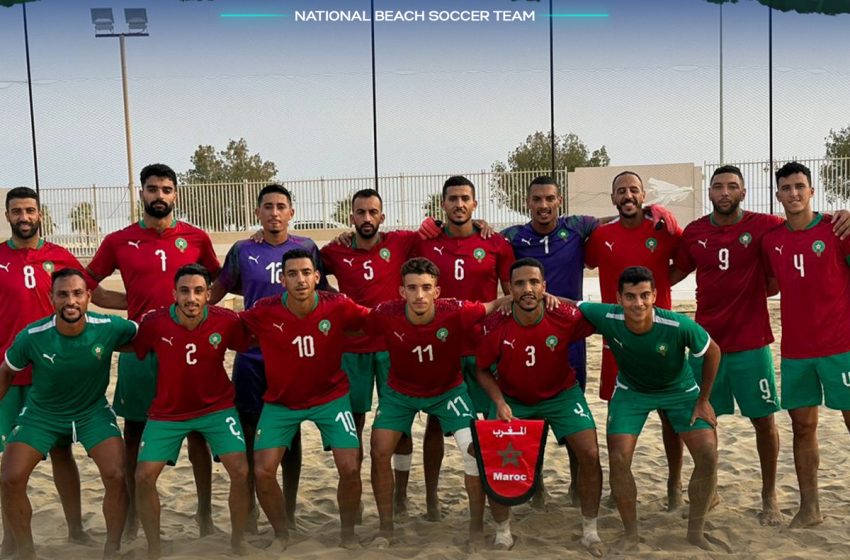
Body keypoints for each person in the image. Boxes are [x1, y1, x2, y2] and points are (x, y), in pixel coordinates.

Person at [673, 165, 850, 524]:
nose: (725, 192)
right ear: (709, 193)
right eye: (718, 186)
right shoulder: (711, 233)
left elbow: (774, 279)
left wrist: (844, 215)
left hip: (780, 344)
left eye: (733, 186)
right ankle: (719, 493)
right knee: (712, 421)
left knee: (765, 422)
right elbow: (673, 269)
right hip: (727, 347)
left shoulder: (791, 228)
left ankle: (770, 497)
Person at [86, 163, 221, 538]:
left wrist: (200, 315)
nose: (159, 195)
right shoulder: (118, 240)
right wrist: (134, 302)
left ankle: (205, 514)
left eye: (166, 189)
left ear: (175, 194)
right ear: (141, 194)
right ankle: (130, 516)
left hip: (189, 347)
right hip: (141, 348)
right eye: (151, 189)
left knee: (197, 433)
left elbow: (219, 280)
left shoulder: (196, 237)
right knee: (135, 431)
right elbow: (89, 287)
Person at [0, 187, 126, 554]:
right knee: (10, 460)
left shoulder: (59, 257)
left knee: (60, 451)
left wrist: (143, 301)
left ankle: (75, 529)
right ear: (8, 216)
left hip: (53, 374)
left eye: (30, 210)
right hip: (11, 369)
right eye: (16, 211)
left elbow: (94, 294)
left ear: (40, 215)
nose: (24, 217)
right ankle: (12, 537)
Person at [576, 266, 720, 549]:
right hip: (632, 393)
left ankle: (695, 531)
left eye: (644, 295)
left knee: (708, 454)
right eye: (630, 297)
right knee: (618, 458)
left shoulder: (677, 325)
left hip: (680, 391)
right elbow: (573, 304)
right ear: (618, 298)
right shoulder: (608, 316)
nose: (638, 303)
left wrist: (703, 401)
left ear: (655, 295)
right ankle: (631, 533)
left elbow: (712, 350)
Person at [366, 257, 505, 549]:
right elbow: (350, 322)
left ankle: (476, 529)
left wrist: (514, 297)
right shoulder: (385, 313)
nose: (419, 295)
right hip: (399, 393)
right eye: (412, 288)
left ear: (437, 292)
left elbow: (491, 306)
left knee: (473, 452)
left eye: (426, 288)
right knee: (379, 451)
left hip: (448, 392)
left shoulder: (455, 310)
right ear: (401, 292)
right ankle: (386, 529)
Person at [240, 248, 369, 549]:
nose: (300, 279)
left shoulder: (337, 305)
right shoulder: (263, 310)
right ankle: (282, 534)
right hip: (281, 402)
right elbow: (225, 329)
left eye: (306, 273)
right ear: (282, 279)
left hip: (331, 398)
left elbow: (376, 321)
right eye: (293, 274)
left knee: (350, 467)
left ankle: (348, 534)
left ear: (317, 277)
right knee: (262, 471)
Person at [210, 184, 321, 529]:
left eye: (281, 206)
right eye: (267, 206)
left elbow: (326, 293)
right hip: (252, 356)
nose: (274, 212)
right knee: (249, 427)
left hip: (292, 358)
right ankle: (253, 504)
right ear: (257, 213)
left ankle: (287, 507)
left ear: (292, 212)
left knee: (290, 432)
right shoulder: (243, 250)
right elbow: (214, 293)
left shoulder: (307, 248)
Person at [476, 258, 602, 555]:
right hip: (513, 398)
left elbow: (601, 319)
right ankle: (503, 532)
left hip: (562, 394)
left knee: (590, 452)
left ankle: (590, 531)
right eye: (520, 284)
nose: (527, 289)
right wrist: (498, 401)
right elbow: (481, 369)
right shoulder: (496, 323)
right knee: (494, 460)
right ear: (510, 289)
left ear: (545, 287)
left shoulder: (564, 315)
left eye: (534, 283)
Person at [412, 175, 515, 517]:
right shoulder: (425, 242)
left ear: (475, 204)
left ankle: (495, 494)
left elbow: (510, 293)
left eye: (465, 198)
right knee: (437, 425)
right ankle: (431, 498)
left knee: (489, 422)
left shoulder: (496, 243)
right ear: (442, 204)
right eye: (452, 198)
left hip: (484, 348)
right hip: (443, 349)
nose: (459, 204)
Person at [133, 264, 251, 559]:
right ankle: (154, 548)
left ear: (209, 294)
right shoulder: (154, 323)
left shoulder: (227, 321)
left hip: (217, 407)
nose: (191, 298)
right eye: (184, 291)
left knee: (240, 471)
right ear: (174, 294)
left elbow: (250, 342)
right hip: (168, 412)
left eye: (199, 291)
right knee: (143, 476)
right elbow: (135, 347)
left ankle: (238, 542)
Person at [584, 170, 685, 510]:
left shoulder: (663, 228)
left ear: (644, 195)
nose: (628, 196)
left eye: (633, 190)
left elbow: (684, 261)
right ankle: (619, 487)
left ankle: (673, 485)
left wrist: (664, 289)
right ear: (613, 199)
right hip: (618, 338)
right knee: (619, 413)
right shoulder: (601, 236)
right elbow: (586, 257)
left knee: (671, 417)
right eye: (621, 191)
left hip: (661, 337)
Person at [761, 161, 850, 528]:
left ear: (812, 191)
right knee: (802, 428)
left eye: (800, 186)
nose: (794, 193)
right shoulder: (772, 240)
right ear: (778, 195)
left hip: (841, 346)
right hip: (796, 351)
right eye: (786, 188)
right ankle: (809, 509)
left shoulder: (837, 229)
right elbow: (769, 285)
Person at [320, 189, 418, 514]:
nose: (366, 218)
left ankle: (400, 495)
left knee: (399, 422)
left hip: (393, 349)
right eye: (360, 212)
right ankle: (356, 493)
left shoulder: (400, 242)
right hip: (352, 349)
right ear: (351, 218)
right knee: (356, 424)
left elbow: (437, 234)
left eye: (372, 212)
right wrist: (335, 299)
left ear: (382, 217)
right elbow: (309, 266)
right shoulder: (335, 250)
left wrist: (482, 224)